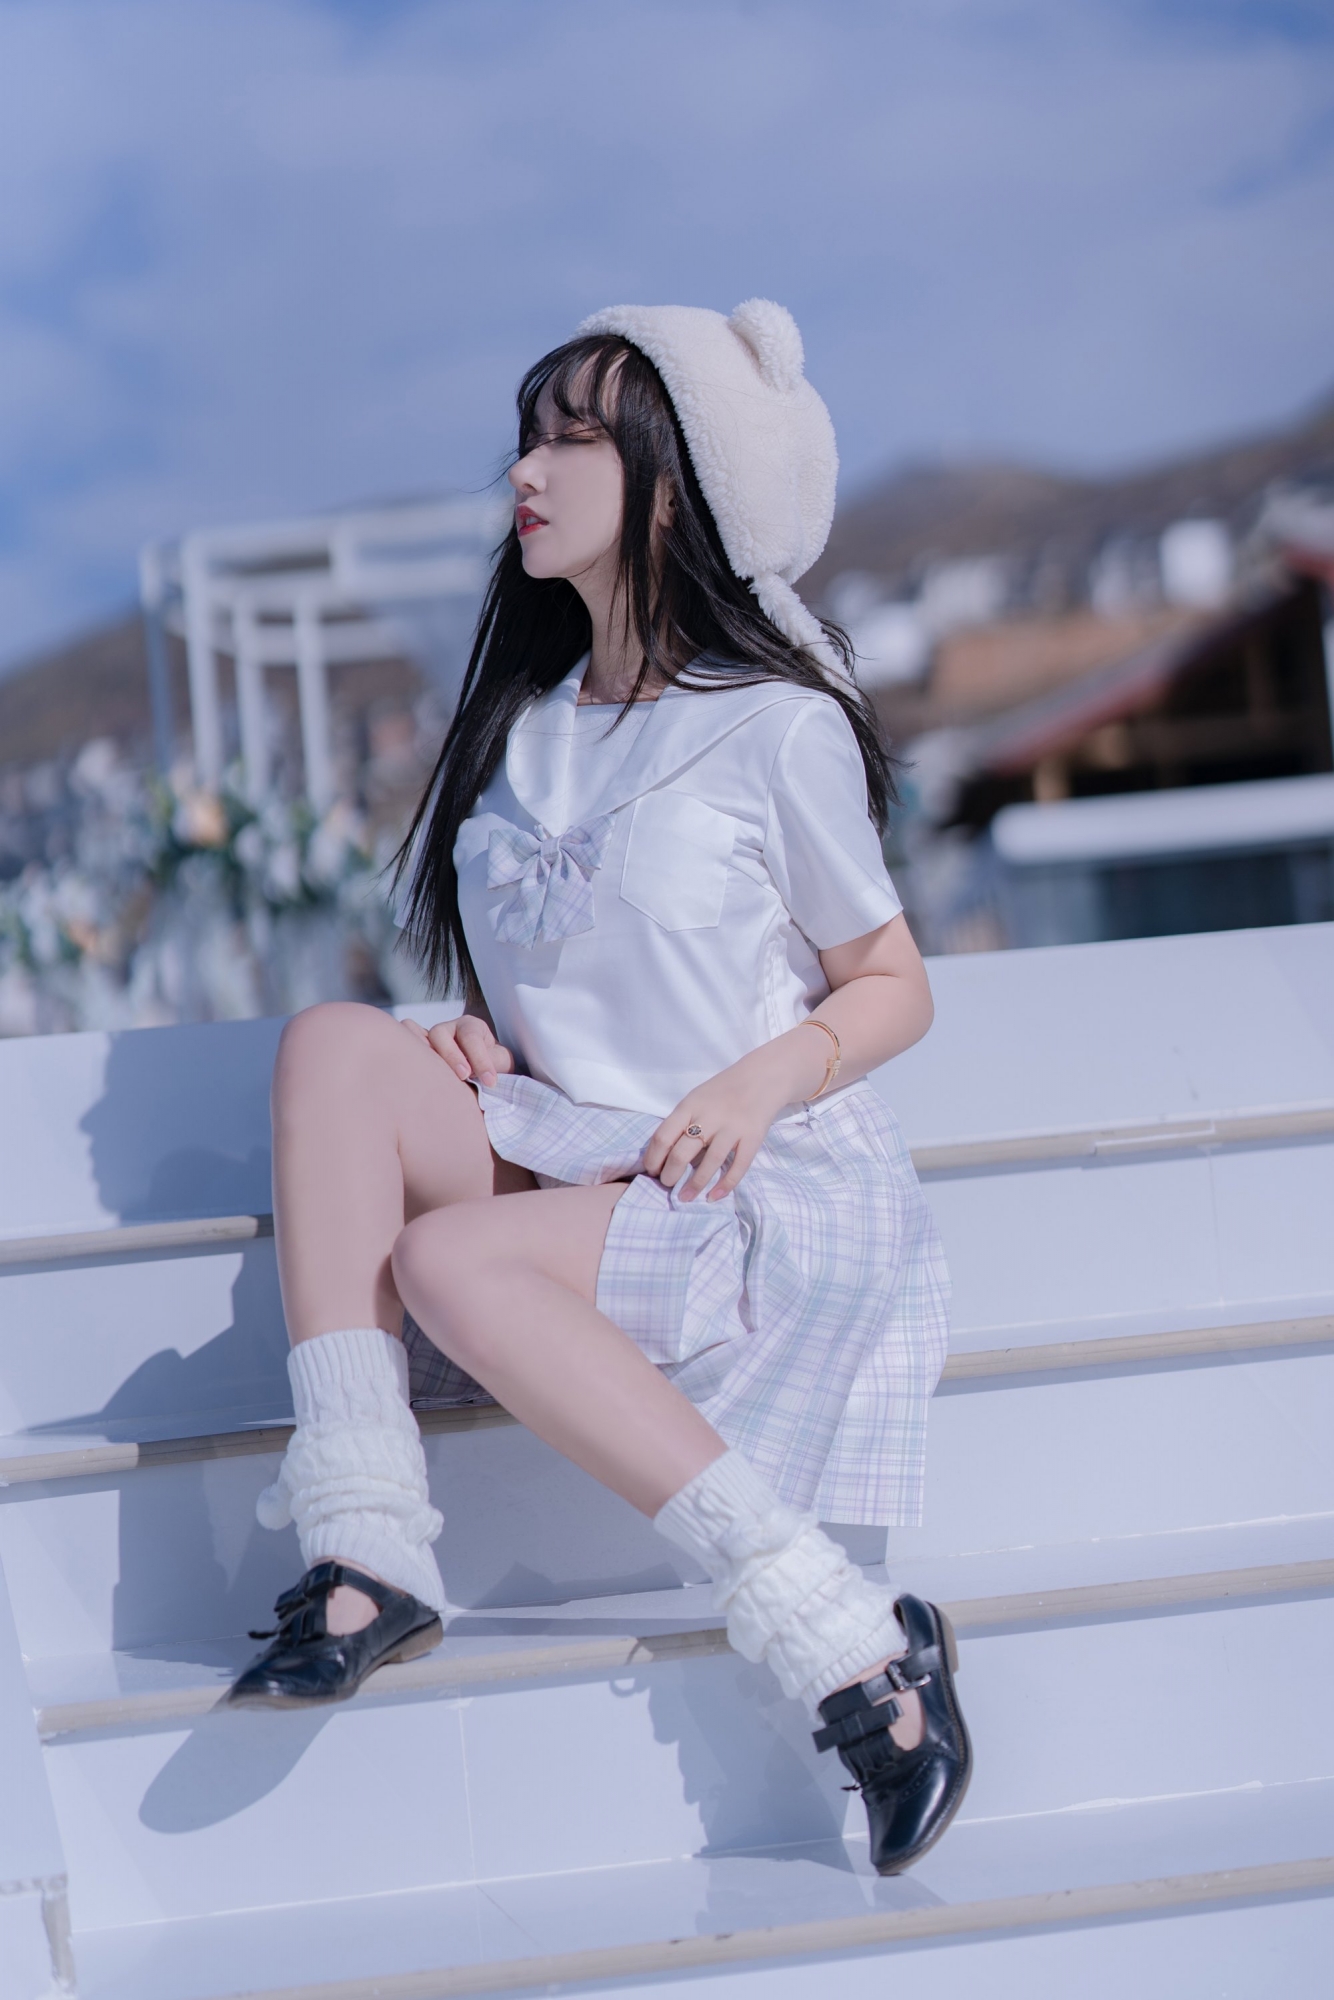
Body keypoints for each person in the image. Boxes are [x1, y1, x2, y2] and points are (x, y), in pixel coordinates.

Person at [228, 300, 970, 1875]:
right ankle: (367, 1540)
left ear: (674, 487)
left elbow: (891, 981)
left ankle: (846, 1645)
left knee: (446, 1260)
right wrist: (473, 1034)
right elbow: (566, 980)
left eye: (573, 438)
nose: (526, 468)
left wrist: (762, 1081)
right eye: (528, 433)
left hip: (745, 1181)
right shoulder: (519, 735)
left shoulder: (774, 728)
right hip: (576, 1149)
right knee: (333, 1046)